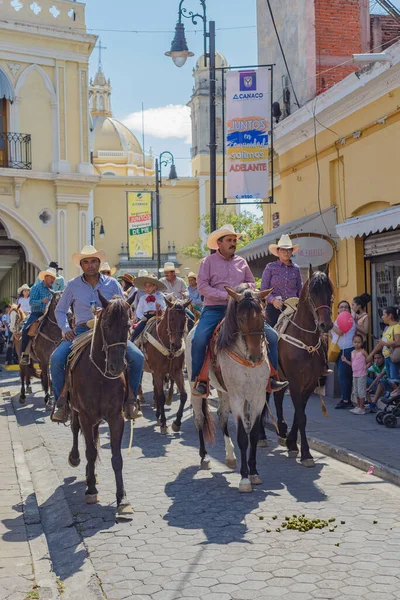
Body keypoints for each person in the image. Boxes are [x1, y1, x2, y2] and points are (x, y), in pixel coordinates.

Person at [50, 245, 144, 422]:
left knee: (137, 357)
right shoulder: (73, 285)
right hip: (81, 331)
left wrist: (113, 316)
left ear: (99, 263)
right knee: (56, 359)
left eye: (93, 261)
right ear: (81, 265)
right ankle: (61, 403)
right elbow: (60, 310)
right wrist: (66, 329)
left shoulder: (112, 283)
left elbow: (124, 309)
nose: (90, 265)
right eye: (86, 262)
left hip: (109, 333)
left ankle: (131, 400)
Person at [191, 224, 287, 397]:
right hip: (215, 308)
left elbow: (251, 282)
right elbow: (202, 287)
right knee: (198, 339)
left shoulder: (241, 262)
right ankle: (201, 380)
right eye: (229, 240)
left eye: (234, 240)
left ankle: (272, 376)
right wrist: (226, 296)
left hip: (240, 309)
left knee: (272, 336)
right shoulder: (208, 262)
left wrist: (243, 292)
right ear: (219, 243)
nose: (233, 243)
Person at [260, 234, 302, 327]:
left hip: (293, 307)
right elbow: (263, 289)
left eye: (289, 249)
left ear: (292, 252)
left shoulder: (296, 269)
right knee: (268, 333)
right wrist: (273, 300)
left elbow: (300, 289)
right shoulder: (270, 267)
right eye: (283, 249)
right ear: (278, 251)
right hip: (275, 307)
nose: (286, 252)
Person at [20, 267, 57, 365]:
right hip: (37, 314)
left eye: (54, 278)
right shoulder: (36, 288)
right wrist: (41, 301)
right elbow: (31, 302)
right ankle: (25, 354)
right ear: (45, 277)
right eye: (51, 278)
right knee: (25, 329)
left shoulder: (53, 289)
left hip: (50, 314)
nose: (53, 280)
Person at [367, 306, 400, 398]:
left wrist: (385, 343)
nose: (382, 317)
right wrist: (371, 354)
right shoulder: (387, 328)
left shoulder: (397, 327)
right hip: (387, 358)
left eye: (384, 314)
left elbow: (398, 341)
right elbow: (381, 344)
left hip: (393, 358)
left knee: (395, 380)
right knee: (390, 380)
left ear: (390, 316)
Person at [332, 300, 357, 409]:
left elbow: (340, 332)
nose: (343, 309)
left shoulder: (349, 318)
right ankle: (345, 398)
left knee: (344, 376)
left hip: (346, 350)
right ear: (337, 309)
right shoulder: (337, 320)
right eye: (341, 307)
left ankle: (346, 400)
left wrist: (329, 325)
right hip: (339, 349)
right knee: (342, 375)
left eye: (346, 307)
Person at [131, 275, 167, 342]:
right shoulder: (142, 298)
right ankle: (132, 343)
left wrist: (160, 309)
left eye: (149, 286)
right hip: (146, 317)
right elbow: (138, 310)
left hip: (157, 316)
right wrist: (142, 317)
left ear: (154, 287)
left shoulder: (160, 297)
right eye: (146, 286)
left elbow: (164, 308)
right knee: (138, 329)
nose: (147, 288)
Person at [341, 333, 369, 414]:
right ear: (352, 342)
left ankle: (362, 407)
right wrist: (345, 360)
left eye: (359, 342)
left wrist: (365, 367)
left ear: (362, 343)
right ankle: (358, 406)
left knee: (361, 391)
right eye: (355, 342)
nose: (357, 344)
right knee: (356, 391)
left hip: (362, 374)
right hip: (355, 374)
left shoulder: (363, 352)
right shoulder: (352, 352)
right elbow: (352, 364)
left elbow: (369, 361)